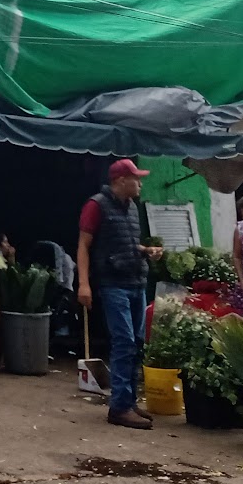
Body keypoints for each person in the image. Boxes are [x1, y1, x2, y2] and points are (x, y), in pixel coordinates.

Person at [77, 160, 165, 430]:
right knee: (124, 341)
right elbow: (83, 245)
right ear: (120, 181)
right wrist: (84, 284)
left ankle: (128, 401)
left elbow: (125, 242)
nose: (140, 183)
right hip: (113, 284)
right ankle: (119, 408)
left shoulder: (131, 208)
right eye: (135, 179)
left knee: (137, 342)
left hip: (136, 281)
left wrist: (144, 250)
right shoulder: (96, 205)